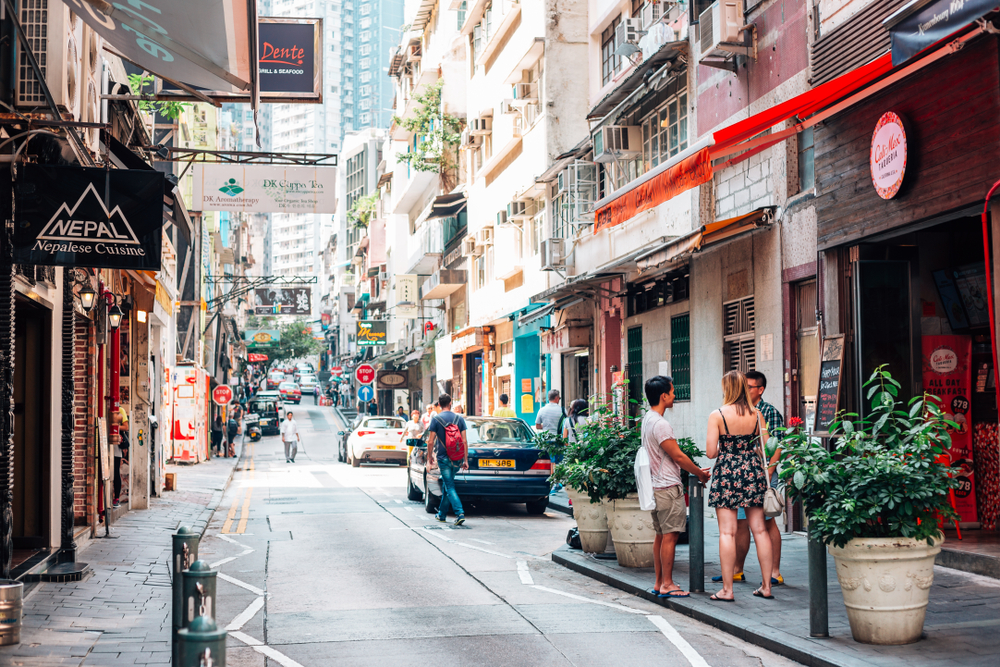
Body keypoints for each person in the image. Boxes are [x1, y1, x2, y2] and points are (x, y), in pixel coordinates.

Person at [706, 371, 774, 602]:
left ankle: (727, 590)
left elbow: (711, 452)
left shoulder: (717, 415)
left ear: (727, 389)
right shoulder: (757, 414)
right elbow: (769, 447)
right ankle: (766, 586)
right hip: (753, 470)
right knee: (760, 530)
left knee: (727, 532)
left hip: (727, 471)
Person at [641, 377, 711, 598]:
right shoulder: (661, 424)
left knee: (661, 536)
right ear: (663, 396)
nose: (674, 395)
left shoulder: (647, 419)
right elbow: (678, 456)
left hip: (655, 486)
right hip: (667, 488)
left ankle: (659, 582)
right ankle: (668, 584)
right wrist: (700, 473)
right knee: (670, 536)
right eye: (672, 392)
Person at [716, 370, 786, 586]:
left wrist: (770, 471)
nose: (744, 390)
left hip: (763, 472)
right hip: (752, 473)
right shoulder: (748, 413)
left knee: (767, 522)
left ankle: (774, 572)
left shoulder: (767, 412)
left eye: (749, 387)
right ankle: (737, 570)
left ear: (760, 390)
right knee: (743, 523)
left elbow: (777, 445)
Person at [425, 393, 468, 526]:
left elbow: (430, 441)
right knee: (447, 486)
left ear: (439, 404)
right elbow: (465, 441)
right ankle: (442, 514)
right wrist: (465, 459)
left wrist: (429, 459)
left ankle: (460, 513)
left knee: (449, 486)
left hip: (443, 458)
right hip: (456, 458)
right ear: (450, 404)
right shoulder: (459, 418)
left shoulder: (436, 419)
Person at [112, 408, 130, 508]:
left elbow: (126, 427)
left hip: (115, 444)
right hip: (106, 443)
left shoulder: (120, 410)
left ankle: (116, 499)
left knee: (115, 472)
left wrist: (114, 427)